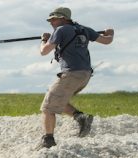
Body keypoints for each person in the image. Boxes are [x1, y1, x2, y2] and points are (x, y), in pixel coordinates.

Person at [37, 7, 114, 149]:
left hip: (71, 74)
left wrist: (44, 39)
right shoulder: (85, 29)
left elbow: (44, 51)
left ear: (64, 18)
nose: (51, 22)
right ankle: (80, 117)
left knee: (48, 107)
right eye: (50, 20)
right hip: (84, 74)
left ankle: (48, 140)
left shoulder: (60, 30)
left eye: (54, 19)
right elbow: (107, 41)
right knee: (58, 99)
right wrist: (110, 33)